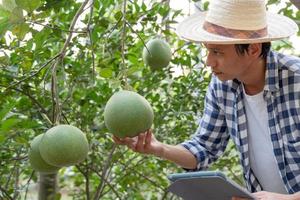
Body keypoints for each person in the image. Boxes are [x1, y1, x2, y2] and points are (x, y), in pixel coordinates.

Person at [113, 0, 300, 199]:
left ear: (253, 49)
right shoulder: (222, 86)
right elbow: (203, 150)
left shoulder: (296, 80)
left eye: (217, 52)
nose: (209, 62)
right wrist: (158, 148)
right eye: (208, 50)